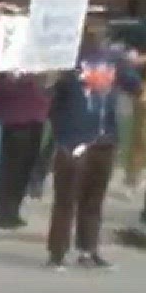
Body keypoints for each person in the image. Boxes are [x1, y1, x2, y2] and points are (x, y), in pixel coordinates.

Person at [44, 18, 143, 270]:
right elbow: (49, 97)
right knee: (66, 198)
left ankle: (88, 250)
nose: (97, 32)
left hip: (104, 138)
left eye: (101, 27)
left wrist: (131, 69)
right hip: (73, 138)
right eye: (91, 26)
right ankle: (57, 253)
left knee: (94, 199)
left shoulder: (113, 60)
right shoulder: (66, 61)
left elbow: (133, 86)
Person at [0, 31, 49, 230]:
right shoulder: (5, 67)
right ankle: (2, 211)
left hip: (35, 119)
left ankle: (14, 209)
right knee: (8, 169)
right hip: (10, 121)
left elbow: (46, 90)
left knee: (25, 168)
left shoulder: (39, 67)